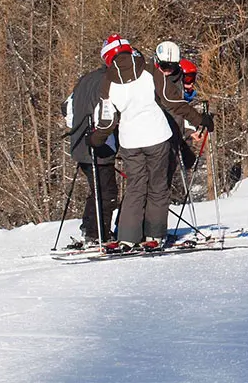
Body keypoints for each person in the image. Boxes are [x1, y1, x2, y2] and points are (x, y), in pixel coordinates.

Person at [90, 35, 212, 251]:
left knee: (135, 187)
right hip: (157, 137)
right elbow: (173, 100)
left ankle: (127, 238)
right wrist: (200, 119)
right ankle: (154, 236)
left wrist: (96, 139)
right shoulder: (148, 70)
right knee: (157, 186)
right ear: (129, 51)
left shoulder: (107, 81)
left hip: (130, 142)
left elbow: (107, 119)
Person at [63, 62, 119, 247]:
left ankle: (89, 229)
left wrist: (76, 128)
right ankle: (97, 235)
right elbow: (105, 114)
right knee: (107, 191)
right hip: (98, 144)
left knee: (98, 189)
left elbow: (67, 108)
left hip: (79, 143)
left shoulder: (86, 79)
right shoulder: (110, 81)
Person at [154, 41, 200, 204]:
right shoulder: (162, 84)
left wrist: (190, 130)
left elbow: (181, 114)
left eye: (192, 78)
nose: (190, 82)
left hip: (174, 137)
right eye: (187, 78)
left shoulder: (179, 87)